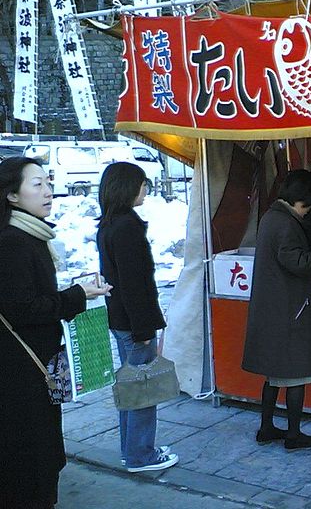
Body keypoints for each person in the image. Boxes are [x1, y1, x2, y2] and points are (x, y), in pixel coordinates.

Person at [0, 157, 110, 508]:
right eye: (37, 184)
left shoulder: (31, 235)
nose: (48, 191)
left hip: (36, 367)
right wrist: (78, 295)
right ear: (12, 196)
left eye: (48, 182)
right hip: (21, 373)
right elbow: (23, 309)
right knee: (31, 457)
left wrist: (72, 292)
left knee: (42, 449)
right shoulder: (13, 242)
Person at [242, 169, 311, 451]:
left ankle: (266, 427)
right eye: (308, 204)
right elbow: (297, 262)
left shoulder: (271, 217)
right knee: (295, 373)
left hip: (275, 307)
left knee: (274, 374)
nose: (309, 209)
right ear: (300, 200)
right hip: (289, 309)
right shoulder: (286, 224)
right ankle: (293, 434)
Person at [97, 162, 179, 473]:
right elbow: (133, 283)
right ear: (126, 188)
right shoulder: (126, 227)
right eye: (142, 184)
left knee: (131, 386)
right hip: (133, 323)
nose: (146, 189)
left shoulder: (109, 224)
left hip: (121, 320)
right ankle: (141, 455)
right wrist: (144, 328)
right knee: (143, 388)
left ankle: (130, 450)